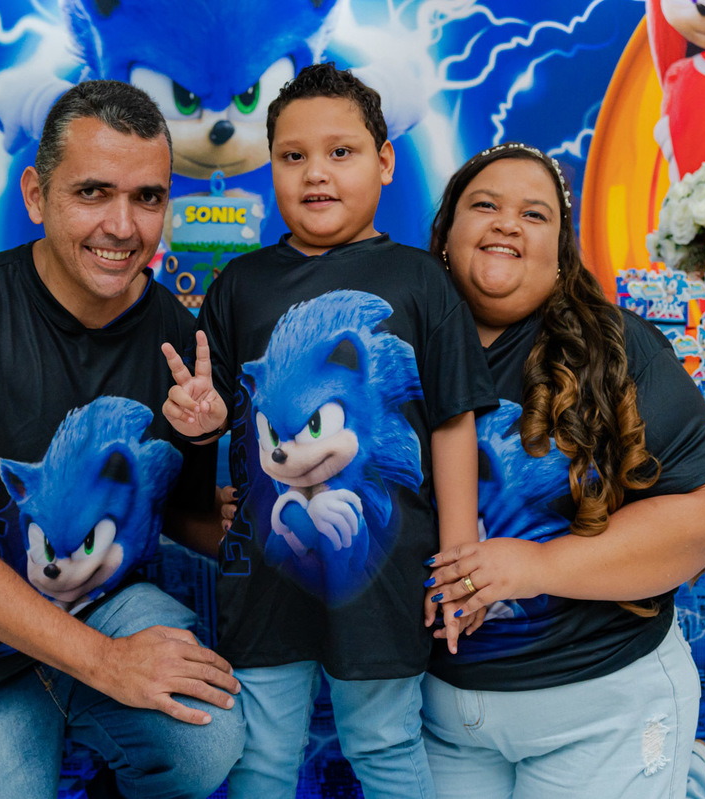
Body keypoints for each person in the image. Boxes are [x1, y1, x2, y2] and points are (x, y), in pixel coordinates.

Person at [0, 80, 244, 799]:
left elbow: (182, 515)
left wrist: (260, 516)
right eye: (93, 192)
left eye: (148, 197)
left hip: (101, 606)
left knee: (206, 740)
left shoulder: (176, 332)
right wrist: (107, 664)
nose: (122, 226)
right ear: (36, 195)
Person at [160, 63, 496, 799]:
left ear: (384, 162)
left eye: (340, 152)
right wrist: (205, 430)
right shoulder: (239, 285)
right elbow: (214, 413)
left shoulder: (422, 282)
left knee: (384, 742)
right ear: (270, 165)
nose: (316, 172)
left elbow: (453, 422)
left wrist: (460, 561)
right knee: (260, 755)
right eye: (293, 155)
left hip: (386, 581)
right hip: (262, 585)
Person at [418, 142, 705, 799]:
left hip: (601, 705)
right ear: (445, 236)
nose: (507, 223)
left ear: (561, 254)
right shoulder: (397, 345)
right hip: (440, 713)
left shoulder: (618, 347)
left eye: (534, 214)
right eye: (485, 205)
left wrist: (537, 565)